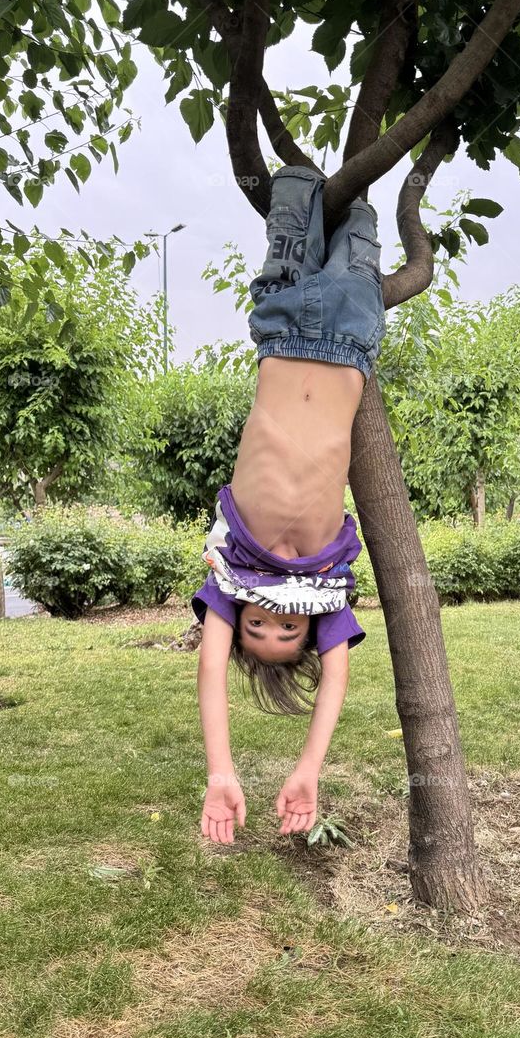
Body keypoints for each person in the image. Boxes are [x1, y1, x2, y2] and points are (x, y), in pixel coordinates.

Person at [194, 166, 386, 845]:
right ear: (310, 630)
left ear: (237, 619)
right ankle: (359, 178)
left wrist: (222, 770)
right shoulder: (326, 585)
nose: (274, 624)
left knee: (296, 187)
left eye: (257, 631)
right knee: (357, 215)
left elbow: (211, 668)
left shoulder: (233, 569)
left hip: (281, 326)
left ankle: (306, 161)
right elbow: (334, 681)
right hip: (352, 339)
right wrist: (310, 767)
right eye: (287, 635)